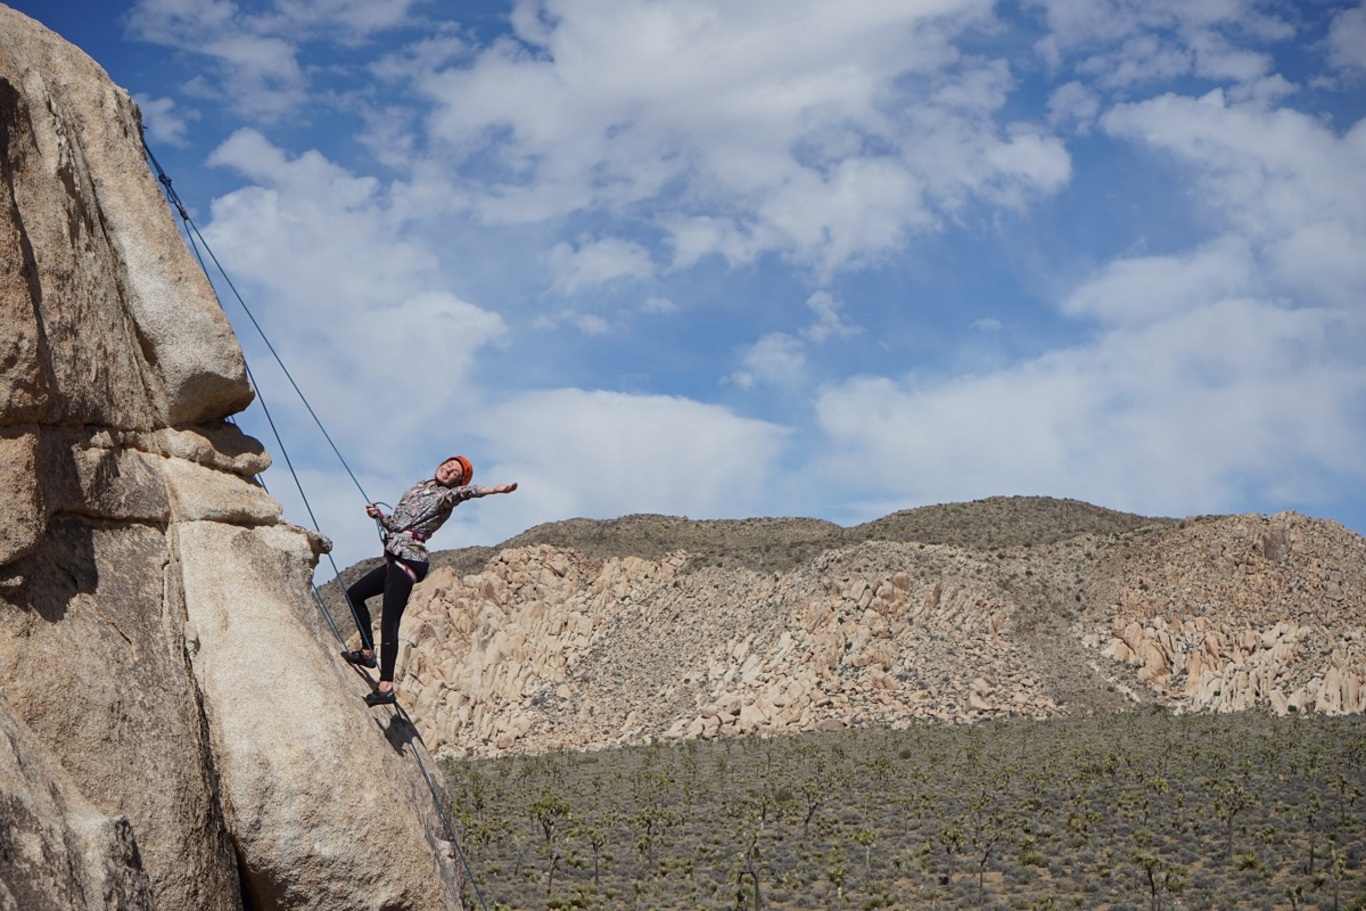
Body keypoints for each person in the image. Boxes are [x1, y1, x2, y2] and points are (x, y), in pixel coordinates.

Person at [342, 455, 517, 705]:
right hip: (396, 557)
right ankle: (368, 652)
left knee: (390, 618)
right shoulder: (419, 488)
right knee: (355, 594)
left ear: (457, 481)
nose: (448, 470)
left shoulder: (445, 498)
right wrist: (380, 516)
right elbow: (397, 525)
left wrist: (494, 490)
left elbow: (466, 493)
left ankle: (386, 686)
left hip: (409, 560)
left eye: (455, 472)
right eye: (449, 465)